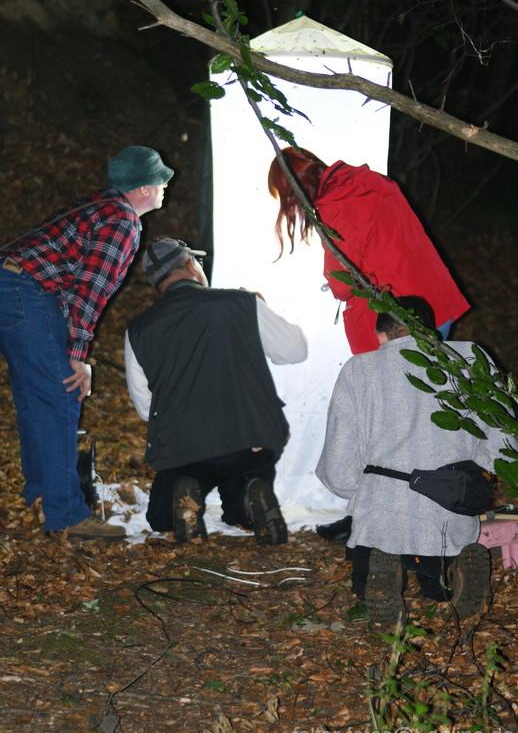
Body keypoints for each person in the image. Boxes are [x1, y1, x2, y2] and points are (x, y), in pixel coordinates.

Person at [0, 145, 174, 539]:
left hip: (10, 286)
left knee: (35, 397)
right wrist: (78, 356)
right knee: (61, 394)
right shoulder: (123, 221)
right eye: (162, 179)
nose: (167, 185)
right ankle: (67, 516)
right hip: (26, 292)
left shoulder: (98, 206)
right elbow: (89, 292)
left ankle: (41, 497)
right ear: (144, 187)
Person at [316, 296, 505, 626]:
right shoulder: (470, 359)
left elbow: (339, 461)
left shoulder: (360, 370)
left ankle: (384, 567)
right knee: (445, 556)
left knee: (375, 540)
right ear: (430, 332)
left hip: (384, 507)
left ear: (382, 336)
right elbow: (502, 438)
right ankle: (449, 574)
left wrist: (352, 488)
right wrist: (483, 468)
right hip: (452, 499)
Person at [124, 238, 308, 545]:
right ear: (192, 266)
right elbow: (295, 349)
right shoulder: (241, 303)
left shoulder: (139, 329)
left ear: (156, 283)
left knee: (160, 517)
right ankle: (250, 497)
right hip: (251, 440)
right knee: (244, 485)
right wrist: (260, 309)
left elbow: (145, 408)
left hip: (185, 448)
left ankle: (186, 491)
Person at [268, 147, 469, 353]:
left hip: (402, 322)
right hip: (433, 299)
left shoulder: (335, 205)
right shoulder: (366, 179)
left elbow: (341, 284)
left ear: (295, 192)